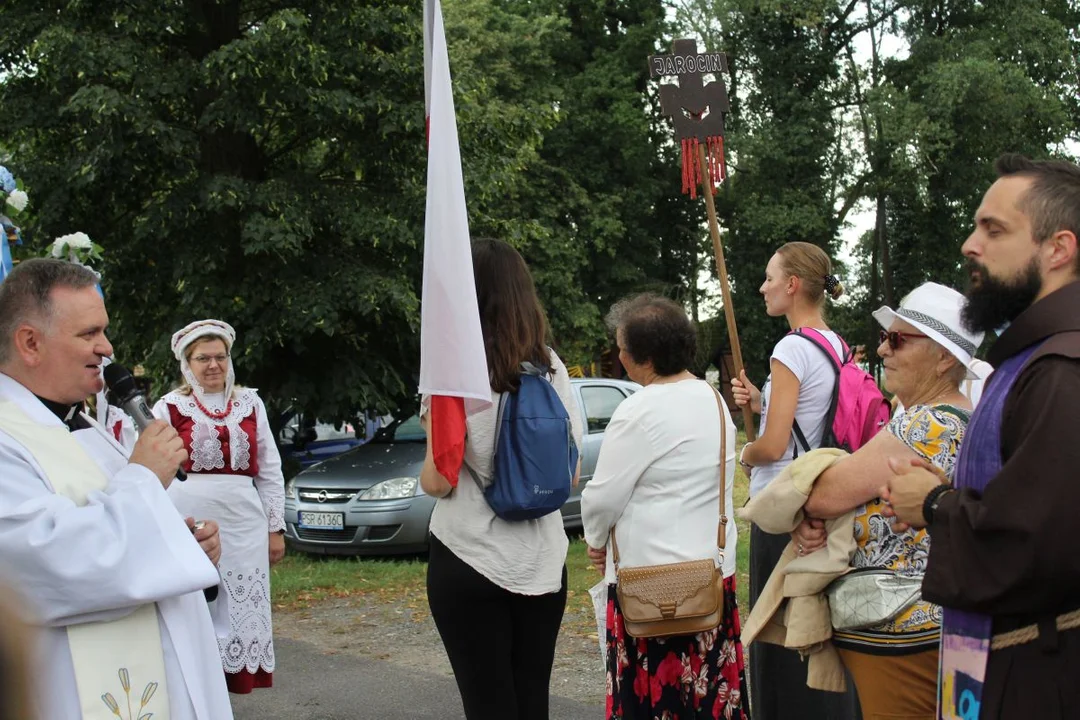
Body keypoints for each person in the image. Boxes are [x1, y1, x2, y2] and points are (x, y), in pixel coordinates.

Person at [884, 154, 1080, 719]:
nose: (971, 244)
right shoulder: (1036, 358)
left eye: (994, 229)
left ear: (1058, 248)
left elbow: (1036, 546)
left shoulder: (1062, 369)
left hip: (1044, 675)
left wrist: (934, 503)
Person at [0, 258, 232, 719]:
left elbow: (125, 528)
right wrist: (144, 477)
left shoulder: (84, 426)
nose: (106, 348)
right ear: (30, 342)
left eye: (103, 331)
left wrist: (184, 546)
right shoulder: (8, 437)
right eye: (89, 333)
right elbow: (49, 569)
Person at [797, 282, 981, 719]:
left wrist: (810, 509)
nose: (882, 350)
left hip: (903, 634)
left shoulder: (930, 424)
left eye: (896, 339)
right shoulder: (939, 417)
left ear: (944, 358)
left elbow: (824, 494)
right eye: (885, 338)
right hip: (915, 631)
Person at [418, 238, 584, 720]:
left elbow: (439, 480)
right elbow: (569, 474)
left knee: (487, 705)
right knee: (532, 701)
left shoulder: (453, 372)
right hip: (542, 561)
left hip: (468, 554)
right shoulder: (551, 366)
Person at [581, 293, 750, 720]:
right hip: (711, 579)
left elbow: (602, 497)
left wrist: (596, 542)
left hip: (650, 589)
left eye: (621, 346)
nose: (618, 354)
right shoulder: (713, 401)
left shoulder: (639, 410)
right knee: (709, 704)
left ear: (644, 356)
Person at [730, 241, 861, 719]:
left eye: (769, 278)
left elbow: (773, 444)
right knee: (818, 633)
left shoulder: (790, 346)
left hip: (783, 507)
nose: (762, 287)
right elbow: (814, 417)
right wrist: (761, 405)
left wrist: (745, 452)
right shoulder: (835, 344)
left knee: (778, 638)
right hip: (821, 497)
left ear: (792, 285)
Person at [152, 318, 285, 694]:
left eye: (220, 357)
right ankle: (196, 684)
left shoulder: (249, 402)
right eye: (202, 358)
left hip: (244, 523)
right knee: (197, 600)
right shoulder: (169, 407)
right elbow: (153, 466)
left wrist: (275, 529)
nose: (213, 365)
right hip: (189, 520)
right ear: (186, 364)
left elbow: (271, 468)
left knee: (241, 603)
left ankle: (236, 681)